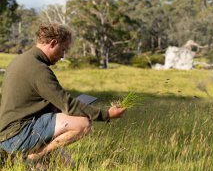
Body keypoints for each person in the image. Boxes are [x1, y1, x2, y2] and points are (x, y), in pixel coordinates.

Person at [0, 23, 126, 162]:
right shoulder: (38, 69)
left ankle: (35, 159)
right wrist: (106, 115)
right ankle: (33, 158)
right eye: (63, 49)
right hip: (17, 135)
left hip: (11, 132)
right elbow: (68, 105)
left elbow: (41, 102)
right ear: (53, 43)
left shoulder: (22, 60)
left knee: (68, 164)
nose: (62, 56)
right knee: (82, 123)